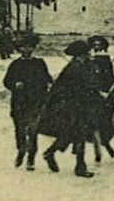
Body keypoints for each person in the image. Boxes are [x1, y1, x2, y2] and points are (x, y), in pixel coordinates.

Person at [40, 40, 105, 177]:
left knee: (71, 136)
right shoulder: (73, 68)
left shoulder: (86, 65)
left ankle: (50, 153)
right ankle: (79, 167)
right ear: (80, 55)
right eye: (87, 52)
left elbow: (92, 83)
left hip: (83, 106)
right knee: (77, 135)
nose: (89, 54)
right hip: (72, 108)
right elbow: (61, 88)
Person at [4, 36, 52, 170]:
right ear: (19, 49)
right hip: (19, 102)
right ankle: (21, 151)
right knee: (20, 129)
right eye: (24, 47)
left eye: (30, 47)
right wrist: (14, 84)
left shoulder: (39, 63)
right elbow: (7, 81)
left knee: (33, 130)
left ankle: (31, 158)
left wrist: (49, 83)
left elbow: (47, 78)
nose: (27, 49)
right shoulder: (15, 64)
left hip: (36, 101)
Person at [88, 35, 114, 161]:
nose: (97, 47)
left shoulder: (105, 59)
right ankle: (96, 149)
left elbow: (110, 77)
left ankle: (105, 142)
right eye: (95, 45)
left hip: (105, 95)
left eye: (99, 45)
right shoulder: (87, 59)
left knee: (108, 122)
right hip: (91, 95)